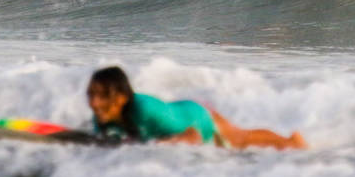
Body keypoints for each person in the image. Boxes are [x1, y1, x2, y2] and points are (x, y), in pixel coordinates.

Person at [87, 66, 306, 150]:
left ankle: (291, 142)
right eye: (91, 95)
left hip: (198, 117)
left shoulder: (146, 110)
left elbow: (193, 137)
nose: (95, 103)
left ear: (123, 97)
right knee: (238, 138)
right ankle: (288, 141)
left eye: (103, 96)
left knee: (238, 140)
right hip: (182, 110)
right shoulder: (104, 116)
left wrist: (154, 145)